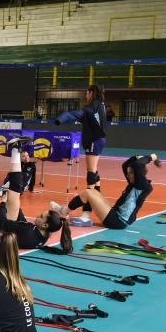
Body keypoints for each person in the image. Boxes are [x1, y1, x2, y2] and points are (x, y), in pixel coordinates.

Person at [0, 137, 72, 251]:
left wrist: (3, 205)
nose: (38, 215)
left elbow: (1, 223)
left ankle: (15, 149)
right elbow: (23, 223)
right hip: (2, 233)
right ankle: (15, 149)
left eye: (41, 217)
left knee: (15, 191)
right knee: (15, 193)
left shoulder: (29, 232)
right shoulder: (42, 234)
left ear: (45, 225)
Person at [52, 154, 161, 230]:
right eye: (128, 173)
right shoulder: (134, 183)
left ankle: (64, 211)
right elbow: (125, 165)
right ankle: (75, 214)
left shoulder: (143, 186)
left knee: (88, 193)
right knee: (93, 191)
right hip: (115, 215)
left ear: (139, 174)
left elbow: (137, 165)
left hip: (118, 221)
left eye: (130, 173)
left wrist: (151, 157)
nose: (128, 175)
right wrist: (136, 157)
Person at [54, 84, 108, 226]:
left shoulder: (93, 106)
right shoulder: (101, 105)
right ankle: (98, 203)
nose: (86, 96)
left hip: (94, 141)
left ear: (91, 93)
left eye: (87, 93)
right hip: (99, 140)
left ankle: (85, 215)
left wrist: (62, 118)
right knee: (94, 174)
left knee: (91, 174)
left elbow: (80, 114)